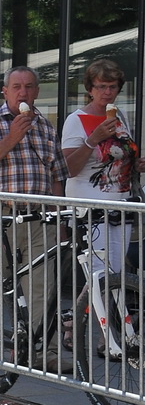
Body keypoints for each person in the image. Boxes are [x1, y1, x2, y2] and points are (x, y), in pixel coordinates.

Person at [0, 67, 69, 367]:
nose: (22, 93)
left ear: (36, 91)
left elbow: (57, 178)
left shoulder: (46, 127)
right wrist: (12, 137)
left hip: (37, 219)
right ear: (5, 91)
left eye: (28, 87)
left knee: (42, 286)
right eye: (16, 87)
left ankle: (37, 351)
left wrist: (59, 219)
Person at [60, 56, 137, 282]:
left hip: (121, 203)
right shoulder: (76, 120)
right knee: (100, 270)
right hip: (91, 206)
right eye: (101, 86)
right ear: (90, 89)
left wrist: (136, 163)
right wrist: (93, 139)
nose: (107, 92)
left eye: (112, 87)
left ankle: (94, 314)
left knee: (116, 269)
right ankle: (98, 315)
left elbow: (119, 158)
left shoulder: (119, 116)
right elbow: (68, 168)